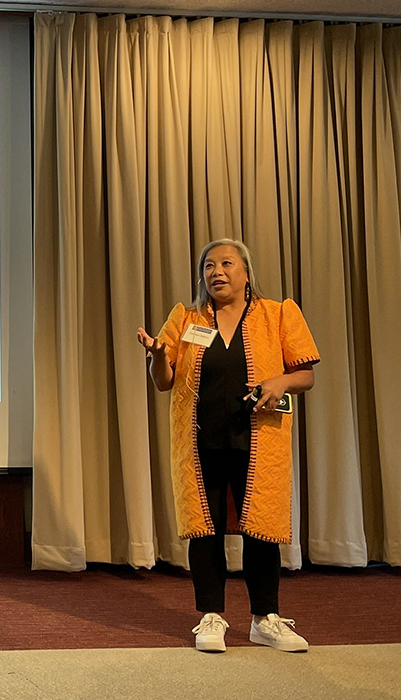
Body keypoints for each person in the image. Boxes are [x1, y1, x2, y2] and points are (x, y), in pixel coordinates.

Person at [136, 239, 320, 654]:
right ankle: (211, 617)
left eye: (225, 263)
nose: (216, 272)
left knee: (262, 529)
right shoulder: (186, 318)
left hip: (258, 441)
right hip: (201, 441)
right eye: (208, 266)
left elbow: (305, 375)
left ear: (246, 272)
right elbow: (164, 381)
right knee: (206, 529)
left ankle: (265, 618)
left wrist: (279, 381)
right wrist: (159, 356)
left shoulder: (277, 314)